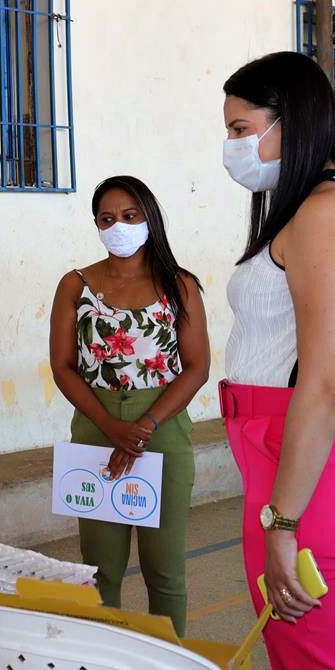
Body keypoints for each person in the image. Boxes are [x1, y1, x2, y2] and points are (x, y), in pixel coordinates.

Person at [219, 51, 335, 670]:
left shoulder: (328, 210)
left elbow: (324, 380)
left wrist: (284, 521)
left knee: (317, 661)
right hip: (286, 454)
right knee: (302, 653)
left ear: (289, 122)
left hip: (314, 462)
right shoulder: (312, 206)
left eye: (242, 130)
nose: (232, 146)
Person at [49, 175, 209, 636]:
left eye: (130, 216)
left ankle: (170, 664)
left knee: (164, 571)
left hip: (162, 431)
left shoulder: (178, 285)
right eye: (107, 218)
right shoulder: (75, 285)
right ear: (96, 225)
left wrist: (143, 425)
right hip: (95, 433)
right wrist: (110, 426)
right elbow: (63, 367)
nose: (118, 225)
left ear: (149, 219)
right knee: (99, 571)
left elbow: (196, 367)